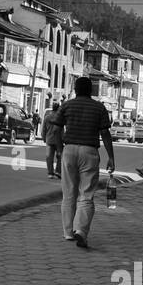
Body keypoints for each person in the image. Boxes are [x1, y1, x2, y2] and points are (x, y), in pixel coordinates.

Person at [58, 75, 114, 250]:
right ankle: (80, 230)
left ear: (75, 89)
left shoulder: (66, 105)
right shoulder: (99, 108)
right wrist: (111, 157)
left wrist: (60, 150)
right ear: (91, 90)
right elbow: (105, 133)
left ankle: (68, 232)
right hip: (89, 152)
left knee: (68, 193)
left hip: (69, 149)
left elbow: (55, 127)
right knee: (86, 194)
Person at [42, 101, 63, 179]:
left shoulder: (47, 117)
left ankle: (50, 173)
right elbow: (62, 130)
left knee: (49, 157)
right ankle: (58, 171)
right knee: (60, 156)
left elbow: (44, 129)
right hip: (58, 140)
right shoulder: (60, 117)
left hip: (49, 140)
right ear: (59, 108)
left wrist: (44, 138)